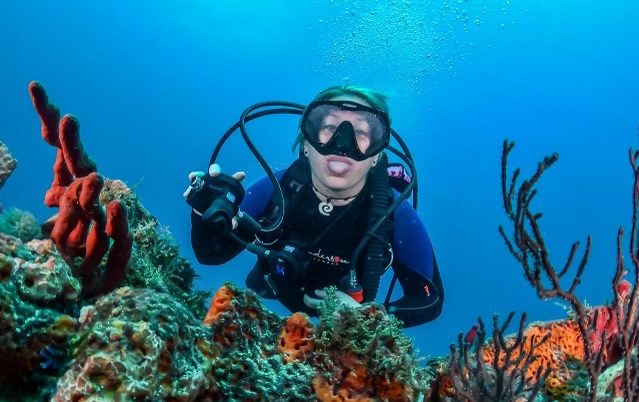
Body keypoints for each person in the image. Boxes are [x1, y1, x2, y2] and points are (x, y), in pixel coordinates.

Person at [185, 85, 443, 327]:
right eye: (329, 128)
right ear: (307, 144)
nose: (343, 144)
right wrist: (203, 210)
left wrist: (370, 316)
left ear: (376, 156)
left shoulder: (394, 211)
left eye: (362, 133)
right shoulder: (279, 188)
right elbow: (210, 255)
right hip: (267, 301)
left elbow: (429, 300)